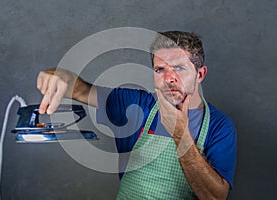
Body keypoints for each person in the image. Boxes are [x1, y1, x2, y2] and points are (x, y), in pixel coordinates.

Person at [37, 31, 237, 199]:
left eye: (178, 68)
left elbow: (215, 197)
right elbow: (79, 90)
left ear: (200, 74)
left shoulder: (219, 126)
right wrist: (59, 74)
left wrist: (180, 134)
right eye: (160, 69)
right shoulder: (136, 104)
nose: (169, 78)